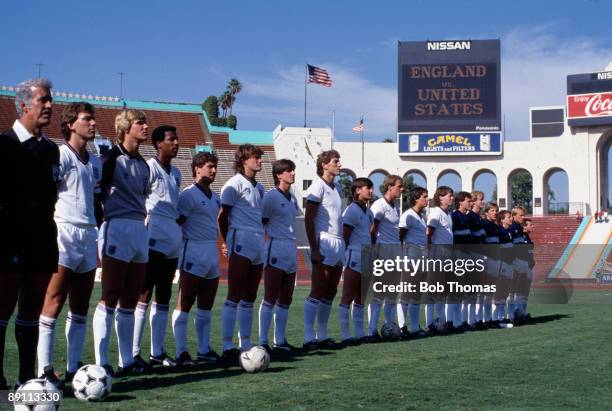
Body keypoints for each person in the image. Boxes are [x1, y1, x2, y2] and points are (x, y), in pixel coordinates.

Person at [36, 102, 101, 387]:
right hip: (63, 230)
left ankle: (75, 370)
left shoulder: (95, 160)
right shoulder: (60, 155)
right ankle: (44, 370)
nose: (93, 123)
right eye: (87, 119)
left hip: (88, 235)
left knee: (81, 306)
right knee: (54, 301)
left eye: (93, 119)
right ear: (71, 124)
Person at [0, 78, 59, 388]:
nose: (50, 106)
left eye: (50, 100)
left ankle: (26, 379)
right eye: (43, 101)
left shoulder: (51, 150)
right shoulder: (4, 144)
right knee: (3, 304)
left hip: (42, 237)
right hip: (10, 236)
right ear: (24, 105)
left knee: (32, 307)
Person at [93, 109, 151, 376]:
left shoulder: (143, 164)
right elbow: (96, 193)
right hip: (116, 227)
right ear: (126, 127)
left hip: (139, 229)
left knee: (130, 298)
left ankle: (126, 361)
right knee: (110, 295)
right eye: (140, 123)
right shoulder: (110, 159)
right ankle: (101, 361)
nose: (146, 126)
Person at [132, 125, 181, 368]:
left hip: (172, 234)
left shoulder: (177, 173)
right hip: (153, 233)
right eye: (171, 139)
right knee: (144, 292)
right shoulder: (149, 168)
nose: (176, 142)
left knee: (164, 295)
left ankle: (157, 352)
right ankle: (133, 352)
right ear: (158, 143)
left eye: (176, 138)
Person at [172, 152, 221, 365]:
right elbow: (177, 223)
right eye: (210, 166)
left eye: (215, 166)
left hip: (211, 251)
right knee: (185, 302)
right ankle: (181, 352)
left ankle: (203, 349)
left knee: (206, 304)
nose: (214, 170)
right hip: (193, 251)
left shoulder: (215, 197)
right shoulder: (188, 195)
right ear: (197, 168)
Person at [219, 144, 265, 360]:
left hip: (257, 239)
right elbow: (222, 216)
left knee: (250, 295)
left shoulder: (260, 187)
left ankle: (245, 342)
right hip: (240, 238)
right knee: (234, 294)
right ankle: (228, 344)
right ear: (244, 160)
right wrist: (228, 240)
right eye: (256, 157)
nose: (260, 161)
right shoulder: (234, 184)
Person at [303, 150, 345, 351]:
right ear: (324, 165)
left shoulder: (337, 188)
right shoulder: (317, 187)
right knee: (318, 289)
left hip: (338, 242)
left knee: (331, 291)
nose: (339, 164)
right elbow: (308, 218)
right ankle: (308, 337)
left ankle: (322, 335)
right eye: (335, 161)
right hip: (324, 241)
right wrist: (314, 248)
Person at [258, 159, 300, 353]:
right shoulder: (270, 197)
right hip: (275, 246)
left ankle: (280, 341)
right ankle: (262, 341)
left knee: (286, 298)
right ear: (278, 174)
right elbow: (262, 223)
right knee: (270, 297)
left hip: (291, 248)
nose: (292, 173)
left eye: (292, 170)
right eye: (288, 171)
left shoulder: (293, 199)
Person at [338, 178, 374, 346]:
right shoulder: (351, 211)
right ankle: (346, 335)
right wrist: (345, 256)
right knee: (347, 296)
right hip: (353, 254)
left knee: (361, 297)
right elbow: (345, 235)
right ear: (358, 190)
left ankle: (359, 333)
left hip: (365, 256)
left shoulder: (369, 212)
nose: (371, 191)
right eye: (368, 188)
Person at [367, 175, 403, 341]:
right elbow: (372, 229)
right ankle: (371, 330)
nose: (401, 189)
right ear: (389, 187)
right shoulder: (379, 205)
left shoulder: (395, 206)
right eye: (399, 186)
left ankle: (389, 325)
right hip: (383, 252)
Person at [398, 187, 429, 339]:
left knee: (416, 294)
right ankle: (402, 327)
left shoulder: (421, 216)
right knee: (406, 293)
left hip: (421, 259)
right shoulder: (408, 215)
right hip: (410, 258)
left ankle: (416, 328)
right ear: (416, 198)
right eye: (424, 196)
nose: (427, 199)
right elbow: (400, 236)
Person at [426, 186, 454, 334]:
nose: (452, 198)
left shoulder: (447, 213)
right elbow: (428, 233)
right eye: (449, 195)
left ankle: (440, 322)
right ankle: (430, 324)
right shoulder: (436, 213)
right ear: (441, 197)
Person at [450, 191, 474, 332]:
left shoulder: (465, 217)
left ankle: (461, 321)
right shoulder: (455, 216)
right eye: (468, 201)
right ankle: (453, 322)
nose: (470, 203)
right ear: (460, 202)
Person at [468, 191, 487, 328]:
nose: (483, 202)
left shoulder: (479, 218)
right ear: (473, 201)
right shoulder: (470, 217)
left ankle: (477, 319)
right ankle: (470, 320)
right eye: (481, 199)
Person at [481, 202, 501, 326]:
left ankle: (491, 319)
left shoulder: (495, 226)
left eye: (496, 211)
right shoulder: (485, 225)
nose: (495, 213)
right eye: (492, 210)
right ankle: (485, 319)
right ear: (486, 212)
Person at [494, 210, 514, 328]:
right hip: (503, 264)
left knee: (506, 291)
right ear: (502, 219)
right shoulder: (500, 231)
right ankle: (497, 317)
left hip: (509, 263)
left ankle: (502, 317)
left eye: (511, 216)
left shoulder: (509, 231)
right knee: (500, 291)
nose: (511, 218)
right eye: (508, 217)